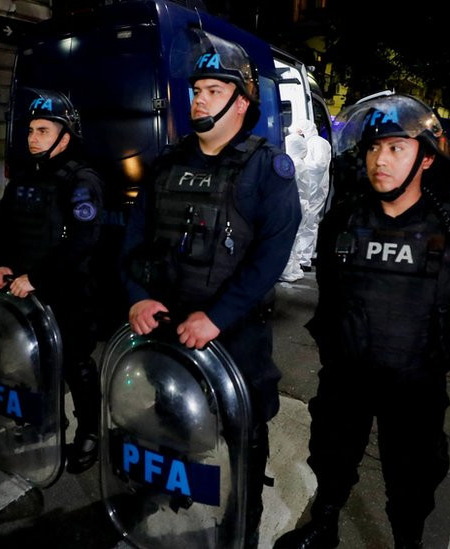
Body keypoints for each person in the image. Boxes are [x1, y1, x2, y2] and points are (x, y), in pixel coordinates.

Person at [273, 94, 450, 549]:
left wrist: (444, 342)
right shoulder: (345, 218)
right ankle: (326, 523)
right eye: (374, 148)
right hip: (347, 376)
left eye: (396, 147)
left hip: (414, 384)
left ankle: (406, 541)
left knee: (412, 475)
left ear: (426, 158)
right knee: (332, 454)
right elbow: (332, 288)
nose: (381, 159)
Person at [120, 36, 300, 548]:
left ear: (241, 103)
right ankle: (166, 496)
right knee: (170, 416)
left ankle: (241, 524)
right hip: (167, 331)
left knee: (242, 436)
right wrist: (136, 295)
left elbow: (271, 258)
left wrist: (217, 318)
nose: (198, 98)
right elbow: (134, 240)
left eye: (212, 89)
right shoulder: (166, 163)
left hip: (235, 337)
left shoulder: (267, 170)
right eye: (196, 88)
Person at [0, 89, 105, 474]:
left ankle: (90, 433)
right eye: (31, 130)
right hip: (23, 292)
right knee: (30, 363)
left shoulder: (82, 180)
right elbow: (3, 225)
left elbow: (82, 240)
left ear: (65, 137)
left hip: (65, 292)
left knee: (75, 365)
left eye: (42, 130)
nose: (32, 137)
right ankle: (45, 421)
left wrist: (36, 277)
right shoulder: (27, 174)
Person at [281, 120, 332, 282]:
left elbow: (320, 165)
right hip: (308, 192)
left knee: (309, 225)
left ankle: (304, 260)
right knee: (303, 227)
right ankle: (299, 262)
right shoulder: (306, 150)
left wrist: (299, 163)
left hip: (314, 192)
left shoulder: (318, 143)